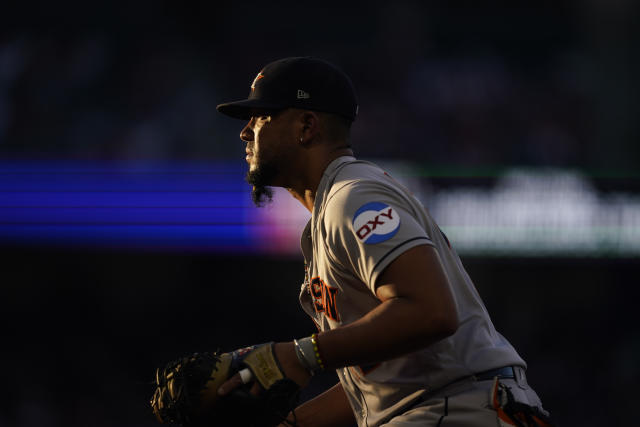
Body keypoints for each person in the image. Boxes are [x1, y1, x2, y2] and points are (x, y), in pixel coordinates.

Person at [215, 56, 552, 427]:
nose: (246, 131)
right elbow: (381, 384)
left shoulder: (352, 196)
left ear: (306, 126)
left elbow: (431, 311)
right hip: (449, 405)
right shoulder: (332, 209)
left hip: (458, 407)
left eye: (262, 116)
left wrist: (300, 355)